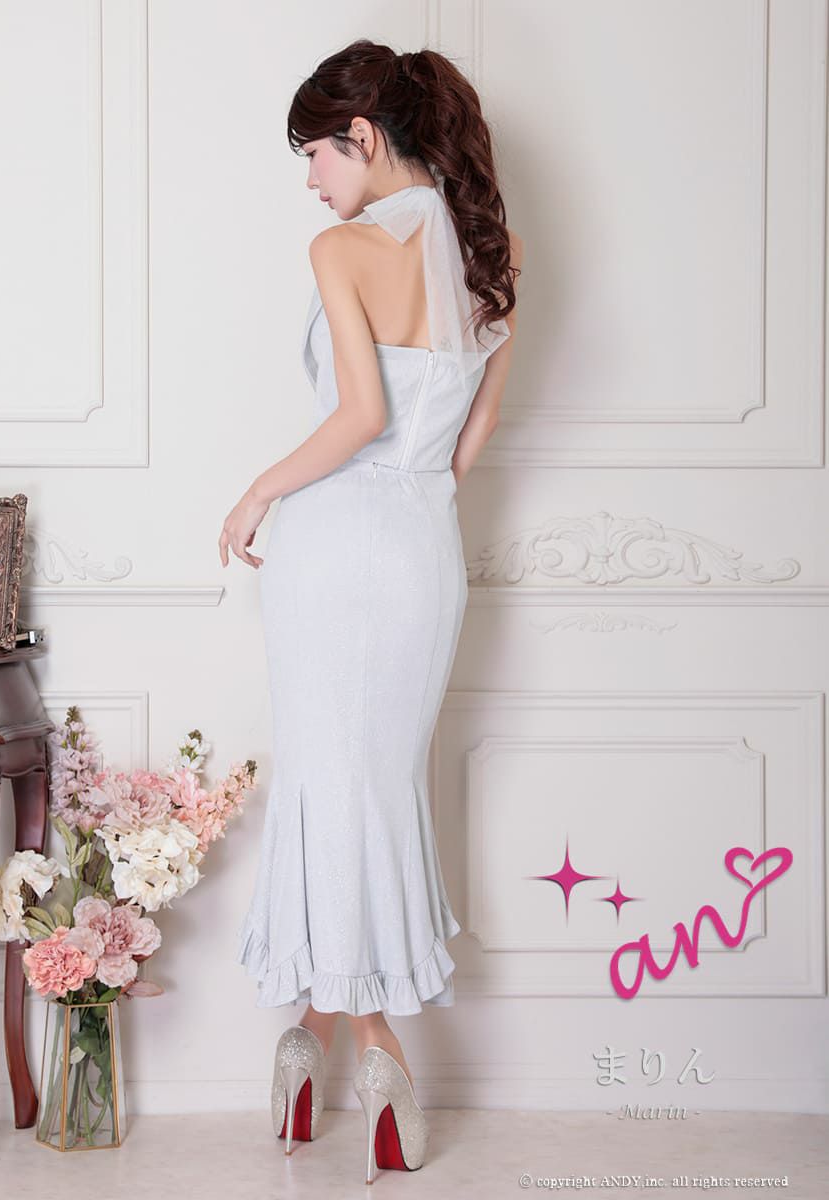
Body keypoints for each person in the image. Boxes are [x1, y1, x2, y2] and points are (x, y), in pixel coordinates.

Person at [218, 38, 523, 1183]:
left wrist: (258, 490)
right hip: (423, 553)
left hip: (335, 546)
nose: (311, 181)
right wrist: (412, 508)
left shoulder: (342, 250)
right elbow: (470, 440)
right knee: (371, 789)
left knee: (326, 787)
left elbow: (357, 416)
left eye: (315, 154)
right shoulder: (493, 255)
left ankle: (371, 1046)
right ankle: (314, 1039)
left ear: (363, 135)